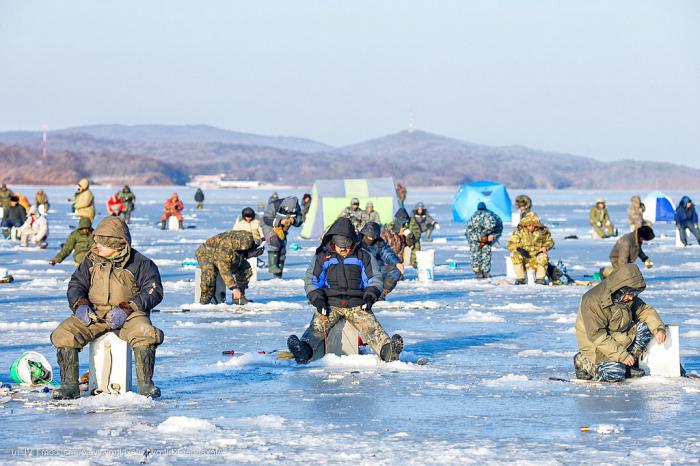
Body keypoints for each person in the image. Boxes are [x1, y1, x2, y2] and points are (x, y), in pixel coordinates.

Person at [50, 217, 164, 399]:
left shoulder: (142, 264)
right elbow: (76, 284)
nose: (96, 246)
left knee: (145, 332)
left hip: (130, 314)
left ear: (118, 244)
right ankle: (69, 386)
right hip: (95, 314)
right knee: (64, 333)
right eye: (96, 242)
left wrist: (128, 307)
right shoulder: (90, 260)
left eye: (102, 243)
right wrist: (80, 304)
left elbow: (153, 291)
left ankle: (146, 386)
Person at [286, 217, 403, 364]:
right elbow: (312, 280)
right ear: (333, 242)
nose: (344, 249)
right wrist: (318, 299)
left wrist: (370, 296)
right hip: (330, 304)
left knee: (372, 328)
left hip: (357, 303)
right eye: (340, 246)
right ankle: (303, 351)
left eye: (347, 245)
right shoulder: (322, 257)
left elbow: (374, 278)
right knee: (316, 328)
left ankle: (387, 351)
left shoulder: (363, 255)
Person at [574, 264, 667, 382]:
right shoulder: (592, 301)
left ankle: (628, 364)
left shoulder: (625, 297)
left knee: (646, 327)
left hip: (619, 338)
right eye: (631, 294)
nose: (632, 298)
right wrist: (622, 355)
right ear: (621, 289)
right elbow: (597, 336)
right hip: (597, 346)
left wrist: (659, 329)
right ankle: (584, 362)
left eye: (635, 295)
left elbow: (644, 310)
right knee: (615, 374)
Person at [195, 230, 257, 305]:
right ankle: (205, 298)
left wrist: (254, 251)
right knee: (209, 273)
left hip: (227, 253)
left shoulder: (246, 238)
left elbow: (247, 249)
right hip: (206, 253)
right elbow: (225, 271)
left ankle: (238, 297)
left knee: (246, 268)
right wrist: (233, 288)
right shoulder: (225, 249)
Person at [506, 212, 554, 285]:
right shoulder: (519, 231)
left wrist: (545, 247)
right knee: (515, 255)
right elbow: (510, 244)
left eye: (533, 225)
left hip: (537, 255)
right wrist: (518, 249)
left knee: (543, 257)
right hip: (524, 256)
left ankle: (540, 279)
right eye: (529, 225)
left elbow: (550, 241)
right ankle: (520, 278)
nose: (531, 227)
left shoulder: (543, 231)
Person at [359, 222, 404, 298]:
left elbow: (387, 253)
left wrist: (397, 263)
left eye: (373, 237)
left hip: (376, 269)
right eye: (369, 237)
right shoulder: (356, 241)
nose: (371, 239)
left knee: (395, 270)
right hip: (359, 269)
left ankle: (382, 293)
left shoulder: (379, 243)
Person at [262, 196, 303, 278]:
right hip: (269, 227)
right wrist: (280, 222)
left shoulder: (296, 207)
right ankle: (272, 266)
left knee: (282, 250)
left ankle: (278, 274)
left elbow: (300, 220)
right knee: (274, 242)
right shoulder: (274, 205)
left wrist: (293, 220)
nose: (289, 212)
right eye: (288, 210)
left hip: (283, 230)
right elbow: (266, 219)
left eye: (291, 211)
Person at [466, 202, 503, 279]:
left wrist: (490, 236)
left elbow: (468, 232)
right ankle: (484, 272)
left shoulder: (474, 216)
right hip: (480, 237)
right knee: (484, 253)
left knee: (476, 254)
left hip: (478, 237)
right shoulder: (492, 215)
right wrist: (491, 236)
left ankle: (479, 272)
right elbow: (499, 226)